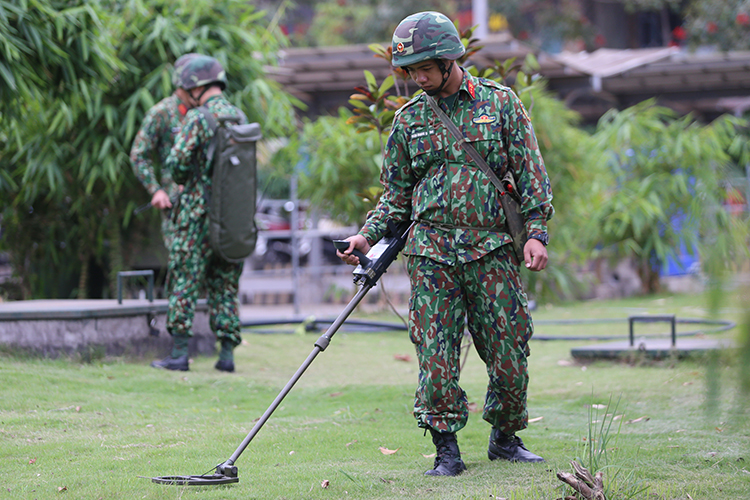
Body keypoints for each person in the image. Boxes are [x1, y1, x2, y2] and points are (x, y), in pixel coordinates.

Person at [337, 11, 554, 476]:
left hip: (493, 254)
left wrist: (536, 234)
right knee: (436, 357)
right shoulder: (408, 120)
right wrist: (365, 235)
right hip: (432, 256)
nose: (417, 78)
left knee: (511, 352)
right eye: (410, 71)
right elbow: (394, 199)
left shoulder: (501, 105)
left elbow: (532, 178)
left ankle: (505, 437)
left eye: (424, 69)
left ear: (448, 58)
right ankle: (447, 451)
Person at [150, 55, 246, 373]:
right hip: (233, 219)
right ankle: (227, 356)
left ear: (193, 87)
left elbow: (177, 167)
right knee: (225, 285)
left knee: (184, 281)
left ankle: (179, 354)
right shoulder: (239, 117)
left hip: (196, 218)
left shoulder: (197, 118)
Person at [129, 53, 201, 250]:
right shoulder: (162, 112)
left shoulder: (203, 112)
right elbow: (138, 155)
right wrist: (156, 190)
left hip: (204, 204)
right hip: (176, 206)